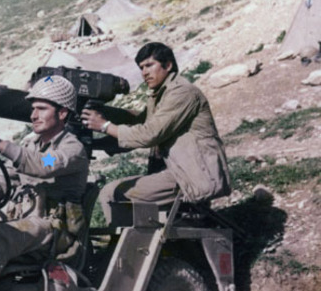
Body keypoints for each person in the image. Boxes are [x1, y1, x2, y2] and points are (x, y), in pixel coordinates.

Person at [80, 42, 230, 225]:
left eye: (149, 65)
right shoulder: (161, 94)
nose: (144, 73)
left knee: (111, 193)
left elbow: (148, 133)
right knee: (111, 193)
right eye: (141, 68)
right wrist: (101, 124)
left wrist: (104, 125)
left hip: (192, 175)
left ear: (168, 65)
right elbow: (139, 124)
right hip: (178, 171)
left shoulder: (182, 93)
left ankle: (132, 241)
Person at [0, 75, 90, 281]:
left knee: (2, 237)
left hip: (55, 231)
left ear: (62, 113)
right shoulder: (30, 145)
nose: (33, 115)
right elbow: (0, 184)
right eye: (33, 109)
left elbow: (43, 165)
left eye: (42, 109)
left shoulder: (72, 148)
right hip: (26, 224)